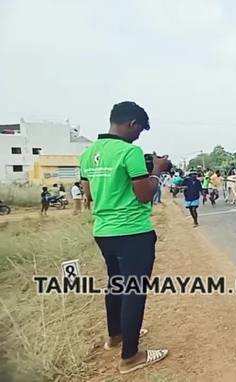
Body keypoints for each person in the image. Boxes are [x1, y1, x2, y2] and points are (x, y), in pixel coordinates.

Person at [79, 101, 169, 373]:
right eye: (140, 130)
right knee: (134, 291)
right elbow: (144, 195)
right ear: (132, 124)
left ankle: (116, 336)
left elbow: (89, 195)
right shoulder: (130, 152)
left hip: (103, 232)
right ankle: (131, 357)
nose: (139, 136)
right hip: (133, 232)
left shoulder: (88, 153)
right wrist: (156, 170)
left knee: (116, 284)